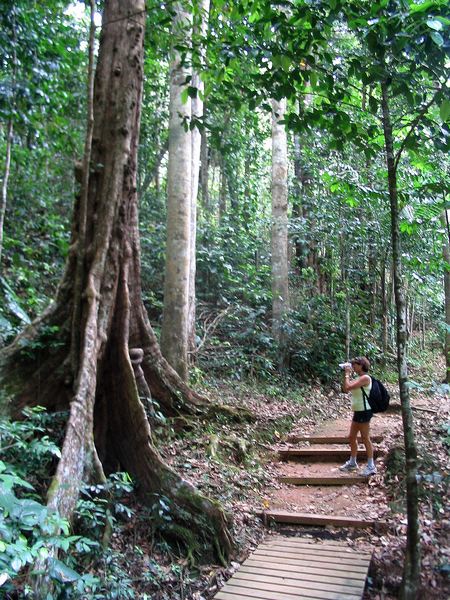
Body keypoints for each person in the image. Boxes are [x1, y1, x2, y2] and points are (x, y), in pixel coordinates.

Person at [340, 356, 377, 476]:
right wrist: (346, 376)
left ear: (361, 365)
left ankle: (371, 466)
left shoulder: (365, 378)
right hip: (358, 411)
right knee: (351, 437)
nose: (353, 367)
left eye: (355, 364)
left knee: (365, 438)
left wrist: (346, 375)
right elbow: (345, 390)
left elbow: (348, 387)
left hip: (364, 411)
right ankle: (352, 462)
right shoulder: (359, 378)